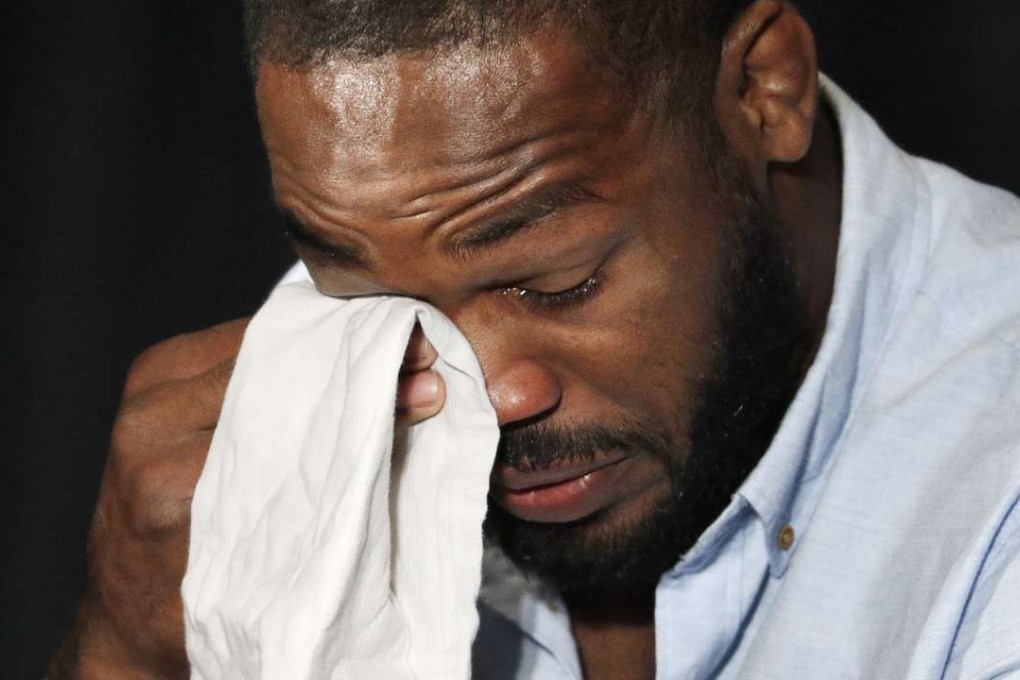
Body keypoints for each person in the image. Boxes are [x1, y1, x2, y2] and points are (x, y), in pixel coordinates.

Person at [50, 0, 1020, 678]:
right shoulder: (370, 292)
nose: (488, 394)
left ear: (766, 88)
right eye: (375, 302)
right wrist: (126, 654)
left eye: (558, 282)